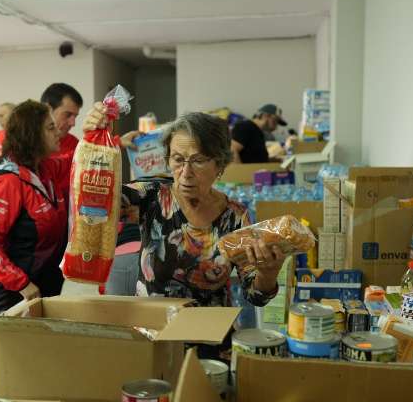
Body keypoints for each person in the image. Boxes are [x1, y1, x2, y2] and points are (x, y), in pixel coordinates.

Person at [84, 105, 286, 357]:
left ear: (220, 165)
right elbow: (96, 198)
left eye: (199, 160)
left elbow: (256, 296)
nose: (186, 173)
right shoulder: (153, 196)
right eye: (178, 159)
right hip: (154, 341)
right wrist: (97, 145)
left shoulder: (236, 216)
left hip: (210, 343)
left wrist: (268, 273)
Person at [0, 100, 70, 314]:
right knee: (22, 348)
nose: (58, 133)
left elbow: (78, 161)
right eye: (50, 128)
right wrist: (21, 283)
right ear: (31, 135)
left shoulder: (44, 168)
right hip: (17, 291)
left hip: (44, 281)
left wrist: (112, 141)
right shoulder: (8, 182)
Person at [40, 83, 83, 162]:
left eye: (75, 116)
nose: (73, 123)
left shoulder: (75, 145)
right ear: (47, 110)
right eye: (68, 115)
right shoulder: (27, 144)